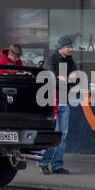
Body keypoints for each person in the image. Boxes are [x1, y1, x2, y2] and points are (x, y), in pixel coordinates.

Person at [39, 36, 76, 175]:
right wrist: (60, 79)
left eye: (71, 47)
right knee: (53, 134)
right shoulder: (51, 59)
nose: (71, 49)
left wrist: (69, 81)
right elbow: (48, 75)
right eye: (69, 47)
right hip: (52, 102)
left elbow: (76, 77)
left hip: (64, 100)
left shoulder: (70, 61)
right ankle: (43, 162)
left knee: (63, 135)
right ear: (61, 47)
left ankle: (57, 165)